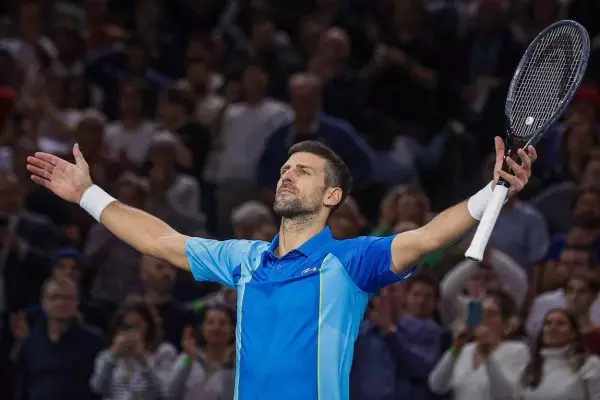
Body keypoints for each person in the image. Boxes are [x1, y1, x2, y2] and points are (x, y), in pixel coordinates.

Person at [25, 137, 536, 400]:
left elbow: (426, 237)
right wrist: (87, 195)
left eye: (305, 171)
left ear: (332, 195)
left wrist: (491, 192)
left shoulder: (351, 261)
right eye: (287, 167)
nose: (288, 174)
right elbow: (162, 241)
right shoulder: (245, 260)